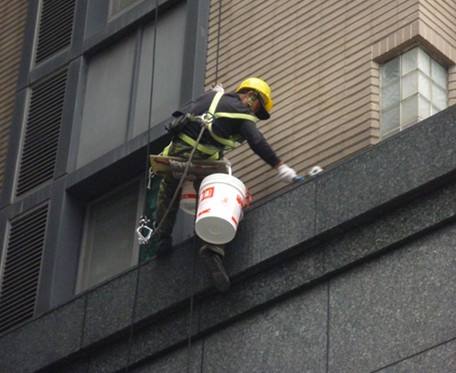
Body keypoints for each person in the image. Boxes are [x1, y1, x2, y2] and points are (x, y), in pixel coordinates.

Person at [154, 77, 298, 291]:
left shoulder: (211, 96)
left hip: (175, 155)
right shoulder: (242, 111)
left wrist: (211, 97)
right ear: (253, 96)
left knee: (168, 192)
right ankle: (213, 248)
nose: (255, 115)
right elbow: (257, 142)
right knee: (218, 194)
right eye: (258, 109)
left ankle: (161, 238)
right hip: (202, 163)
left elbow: (180, 116)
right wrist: (279, 166)